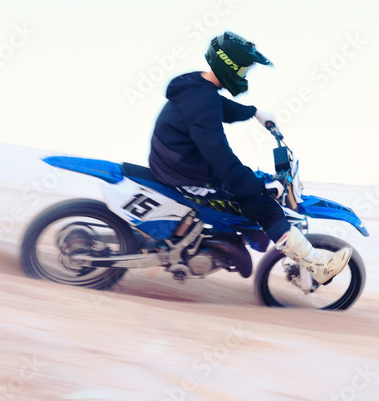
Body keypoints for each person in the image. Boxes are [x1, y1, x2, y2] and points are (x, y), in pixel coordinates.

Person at [148, 31, 351, 286]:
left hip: (178, 161)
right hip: (183, 173)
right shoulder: (202, 99)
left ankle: (221, 241)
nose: (243, 77)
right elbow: (218, 153)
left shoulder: (195, 85)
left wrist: (253, 112)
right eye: (243, 70)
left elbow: (219, 107)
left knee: (249, 183)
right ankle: (317, 267)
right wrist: (258, 189)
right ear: (229, 66)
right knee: (261, 204)